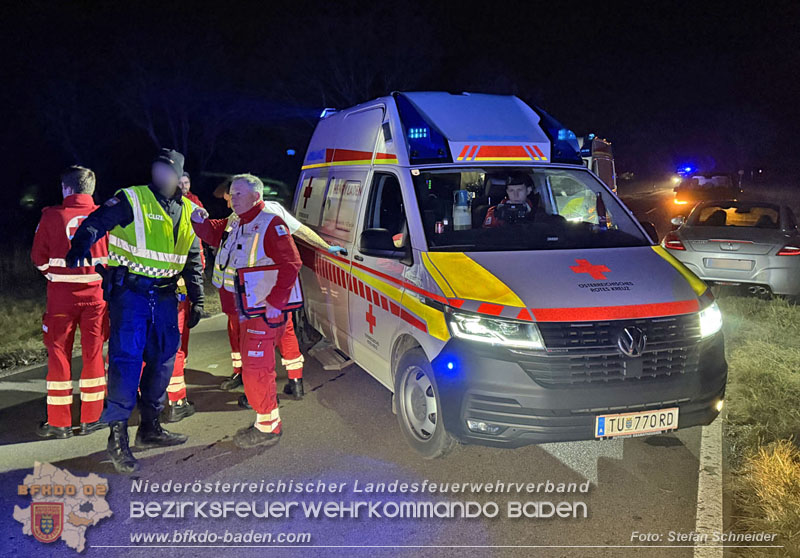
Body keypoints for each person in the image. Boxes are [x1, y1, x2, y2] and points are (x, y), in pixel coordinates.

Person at [66, 148, 205, 473]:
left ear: (180, 175)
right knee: (126, 361)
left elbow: (194, 258)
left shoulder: (188, 212)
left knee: (164, 361)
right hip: (131, 295)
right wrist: (81, 242)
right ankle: (117, 437)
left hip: (167, 297)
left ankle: (150, 428)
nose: (162, 174)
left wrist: (197, 297)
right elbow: (98, 221)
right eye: (157, 168)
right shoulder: (133, 199)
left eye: (168, 170)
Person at [191, 173, 301, 448]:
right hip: (244, 308)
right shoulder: (235, 221)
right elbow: (213, 233)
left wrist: (276, 302)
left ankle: (267, 427)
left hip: (262, 310)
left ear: (256, 196)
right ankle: (268, 421)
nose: (232, 197)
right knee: (256, 368)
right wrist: (197, 220)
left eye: (239, 193)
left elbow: (292, 264)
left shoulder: (271, 224)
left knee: (255, 369)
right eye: (231, 193)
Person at [211, 180, 344, 400]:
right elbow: (300, 231)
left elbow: (293, 252)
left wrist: (327, 247)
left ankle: (251, 385)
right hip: (276, 289)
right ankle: (295, 381)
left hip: (253, 293)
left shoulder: (254, 216)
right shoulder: (273, 210)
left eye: (233, 198)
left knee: (251, 339)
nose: (230, 204)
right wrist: (326, 247)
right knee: (285, 331)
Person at [31, 166, 109, 439]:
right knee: (93, 355)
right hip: (96, 299)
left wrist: (55, 276)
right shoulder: (104, 217)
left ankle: (59, 423)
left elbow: (38, 258)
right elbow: (114, 258)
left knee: (59, 355)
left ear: (66, 188)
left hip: (61, 299)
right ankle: (92, 418)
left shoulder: (51, 216)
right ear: (90, 188)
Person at [163, 171, 205, 423]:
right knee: (174, 346)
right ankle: (176, 401)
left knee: (150, 345)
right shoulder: (187, 212)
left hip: (141, 293)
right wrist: (197, 296)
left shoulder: (143, 211)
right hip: (175, 290)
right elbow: (193, 259)